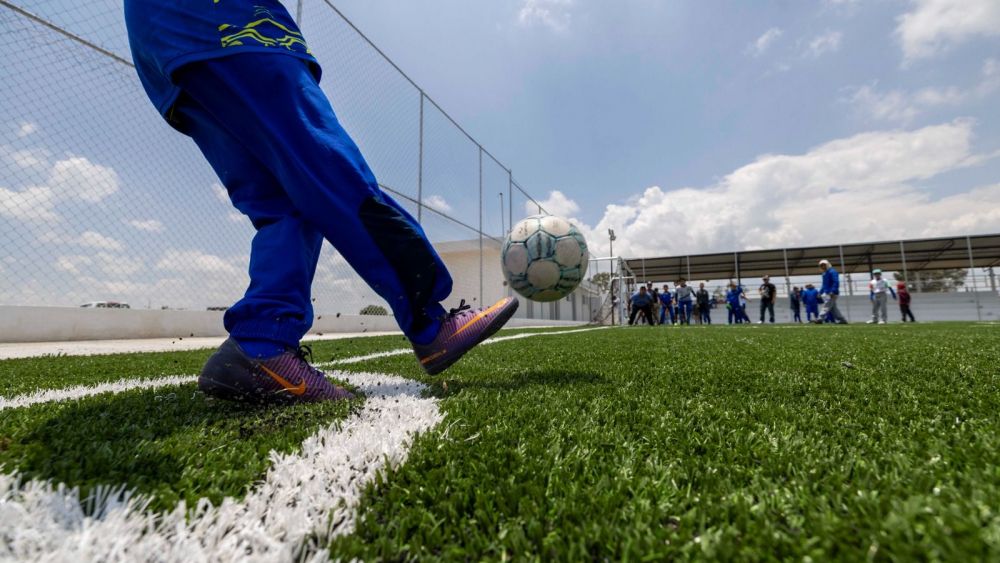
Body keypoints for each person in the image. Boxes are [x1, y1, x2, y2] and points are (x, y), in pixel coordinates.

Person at [123, 1, 519, 404]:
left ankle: (262, 342)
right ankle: (430, 323)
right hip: (228, 21)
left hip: (163, 35)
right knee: (329, 168)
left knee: (280, 202)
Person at [812, 259, 848, 324]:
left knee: (826, 305)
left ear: (827, 264)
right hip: (827, 292)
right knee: (833, 309)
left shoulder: (832, 272)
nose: (823, 267)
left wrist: (833, 291)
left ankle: (820, 319)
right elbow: (824, 284)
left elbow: (836, 282)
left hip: (832, 293)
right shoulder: (824, 274)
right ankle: (842, 320)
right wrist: (820, 292)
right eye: (821, 265)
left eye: (824, 265)